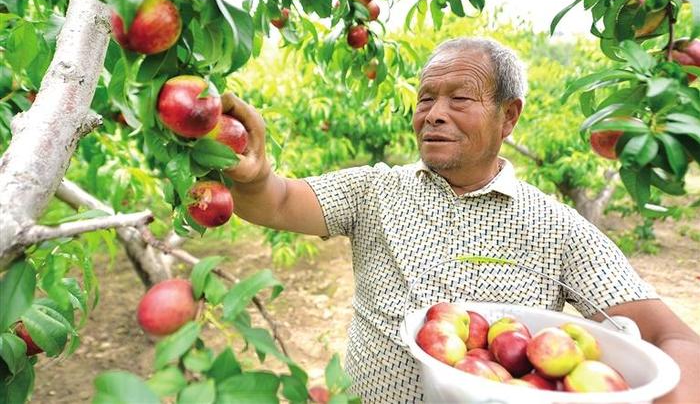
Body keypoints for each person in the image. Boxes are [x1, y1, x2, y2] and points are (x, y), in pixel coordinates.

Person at [224, 37, 700, 403]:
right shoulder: (374, 190)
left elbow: (671, 336)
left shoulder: (554, 226)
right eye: (425, 98)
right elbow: (277, 202)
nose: (434, 115)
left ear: (508, 117)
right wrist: (252, 173)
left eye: (460, 99)